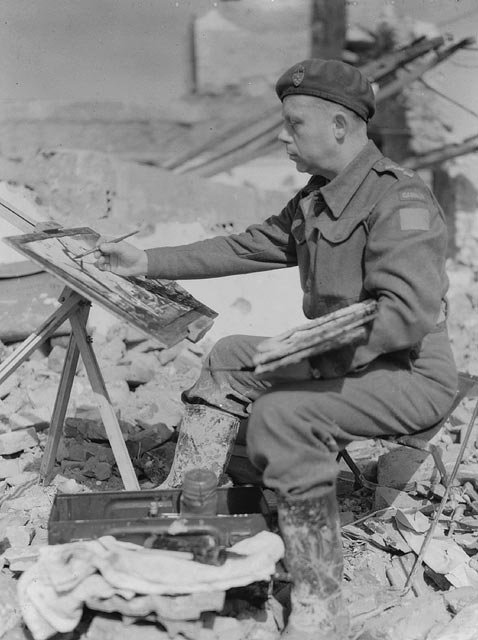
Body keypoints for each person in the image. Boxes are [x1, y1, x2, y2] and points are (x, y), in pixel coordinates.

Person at [94, 59, 458, 640]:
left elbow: (405, 316)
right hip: (348, 361)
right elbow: (248, 245)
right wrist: (147, 261)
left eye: (294, 124)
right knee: (230, 356)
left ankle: (320, 599)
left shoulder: (401, 199)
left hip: (408, 373)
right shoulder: (317, 198)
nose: (283, 138)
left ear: (339, 126)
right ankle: (190, 505)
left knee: (282, 417)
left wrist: (308, 356)